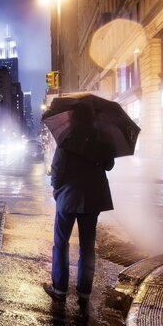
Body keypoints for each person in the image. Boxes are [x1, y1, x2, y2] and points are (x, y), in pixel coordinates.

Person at [43, 107, 115, 305]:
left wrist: (57, 190)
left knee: (61, 243)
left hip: (68, 197)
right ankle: (84, 292)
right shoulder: (102, 137)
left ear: (72, 118)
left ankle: (59, 288)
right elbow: (109, 165)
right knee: (87, 246)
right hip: (93, 198)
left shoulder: (67, 138)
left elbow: (57, 168)